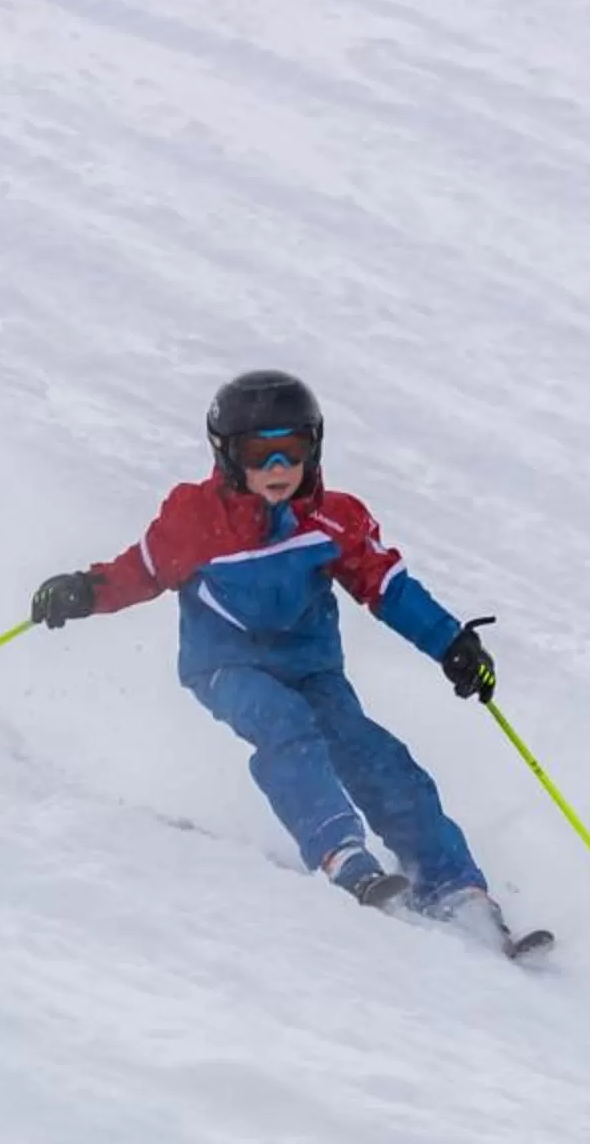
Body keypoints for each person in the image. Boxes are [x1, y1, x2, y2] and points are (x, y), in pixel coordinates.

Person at [29, 369, 507, 926]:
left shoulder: (332, 518)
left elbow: (387, 587)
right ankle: (341, 852)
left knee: (372, 754)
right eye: (261, 453)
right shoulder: (194, 518)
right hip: (223, 665)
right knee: (285, 726)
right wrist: (85, 591)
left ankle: (450, 883)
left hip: (312, 668)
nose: (279, 469)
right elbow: (140, 573)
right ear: (229, 454)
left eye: (293, 450)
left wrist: (450, 642)